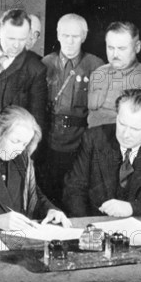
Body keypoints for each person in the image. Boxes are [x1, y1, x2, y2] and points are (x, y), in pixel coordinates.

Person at [64, 90, 141, 217]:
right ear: (117, 117)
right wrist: (86, 227)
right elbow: (74, 189)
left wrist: (132, 208)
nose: (125, 134)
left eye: (135, 129)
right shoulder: (93, 138)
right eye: (122, 124)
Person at [40, 14, 104, 206]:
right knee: (47, 190)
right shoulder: (45, 64)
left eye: (75, 36)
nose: (69, 41)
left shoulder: (95, 66)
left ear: (84, 37)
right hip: (49, 140)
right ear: (58, 35)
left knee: (74, 193)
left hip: (79, 141)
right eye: (65, 35)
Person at [88, 21, 141, 127]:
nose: (115, 54)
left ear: (137, 47)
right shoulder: (97, 74)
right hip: (93, 140)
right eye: (110, 48)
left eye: (121, 48)